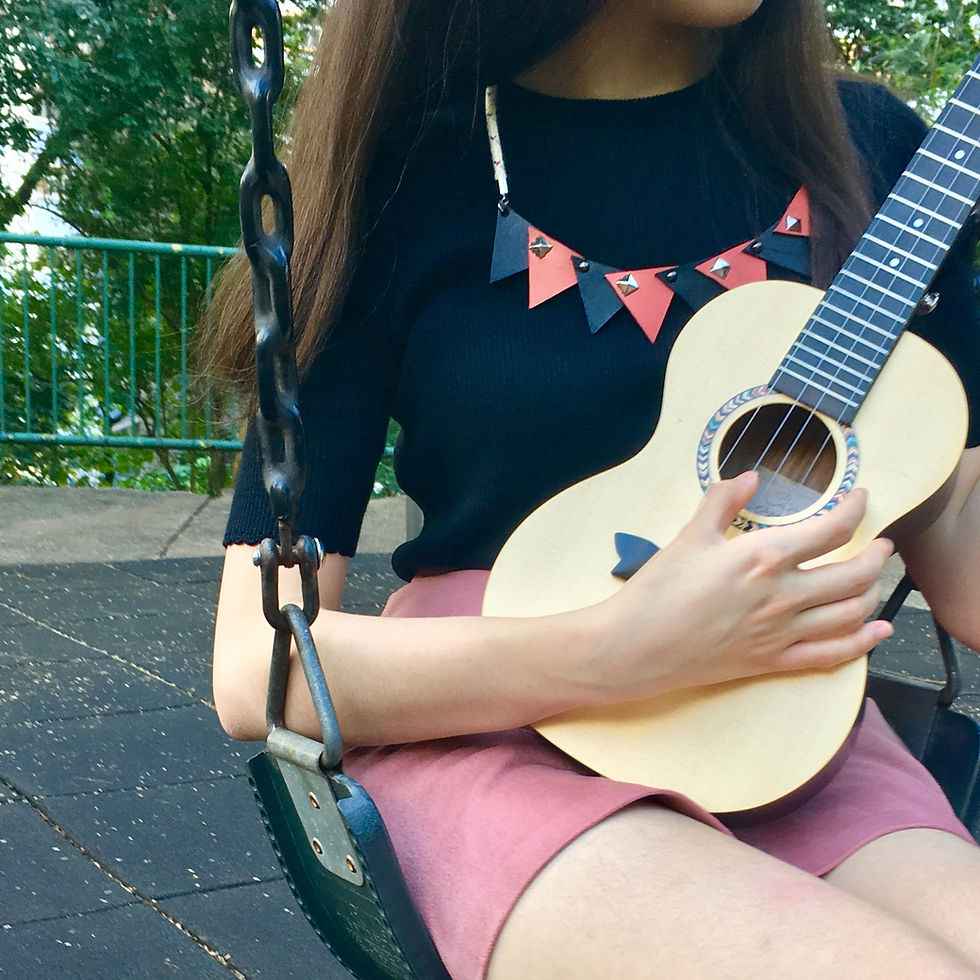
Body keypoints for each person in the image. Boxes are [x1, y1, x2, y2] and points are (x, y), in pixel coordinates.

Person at [208, 1, 980, 976]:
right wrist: (624, 648)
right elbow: (257, 667)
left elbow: (958, 535)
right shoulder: (405, 175)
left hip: (784, 720)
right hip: (485, 715)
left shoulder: (866, 149)